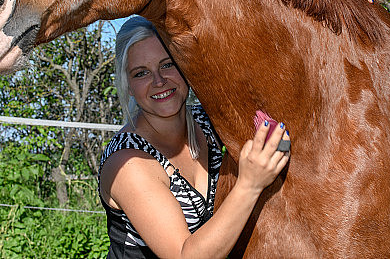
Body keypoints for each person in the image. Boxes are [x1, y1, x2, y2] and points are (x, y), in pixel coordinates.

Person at [99, 16, 290, 258]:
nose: (159, 81)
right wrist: (250, 184)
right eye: (141, 73)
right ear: (127, 83)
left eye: (167, 64)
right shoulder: (128, 163)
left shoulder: (208, 122)